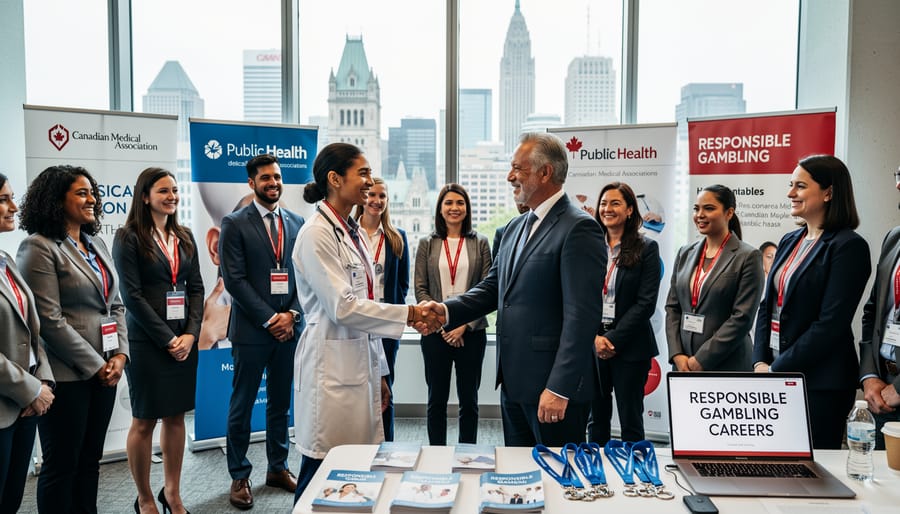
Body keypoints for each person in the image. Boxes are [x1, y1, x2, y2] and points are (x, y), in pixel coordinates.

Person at [424, 132, 606, 446]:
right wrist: (444, 311)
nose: (510, 176)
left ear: (545, 172)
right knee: (518, 473)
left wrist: (559, 388)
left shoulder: (579, 228)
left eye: (517, 168)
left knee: (557, 472)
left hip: (553, 391)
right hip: (514, 384)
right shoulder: (513, 228)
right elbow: (492, 289)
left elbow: (582, 318)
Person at [291, 142, 439, 502]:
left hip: (360, 364)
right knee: (320, 473)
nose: (370, 181)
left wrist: (381, 373)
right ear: (335, 179)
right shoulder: (317, 234)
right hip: (331, 370)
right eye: (363, 173)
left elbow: (366, 304)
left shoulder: (350, 231)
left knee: (357, 472)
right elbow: (344, 308)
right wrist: (410, 314)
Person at [17, 165, 129, 514]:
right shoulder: (38, 247)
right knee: (62, 466)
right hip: (66, 376)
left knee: (90, 461)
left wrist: (120, 355)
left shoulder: (96, 243)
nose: (92, 199)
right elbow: (49, 321)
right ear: (56, 200)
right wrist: (97, 365)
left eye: (92, 192)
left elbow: (116, 304)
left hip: (106, 370)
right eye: (82, 193)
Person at [753, 155, 870, 449]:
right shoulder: (789, 240)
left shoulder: (849, 246)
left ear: (828, 192)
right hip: (776, 371)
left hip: (820, 384)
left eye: (800, 186)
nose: (790, 193)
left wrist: (777, 369)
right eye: (791, 185)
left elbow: (830, 324)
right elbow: (767, 306)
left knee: (812, 467)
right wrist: (759, 361)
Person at [112, 168, 204, 514]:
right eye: (163, 190)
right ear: (145, 196)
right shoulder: (128, 237)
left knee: (176, 417)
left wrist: (190, 334)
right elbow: (132, 297)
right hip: (148, 343)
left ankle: (172, 493)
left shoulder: (185, 236)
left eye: (175, 190)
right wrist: (168, 339)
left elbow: (197, 289)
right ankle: (145, 498)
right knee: (144, 420)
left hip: (185, 341)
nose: (172, 196)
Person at [219, 154, 305, 510]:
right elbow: (234, 280)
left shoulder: (297, 222)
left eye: (277, 177)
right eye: (266, 178)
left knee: (280, 404)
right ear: (251, 183)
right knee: (242, 405)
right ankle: (239, 475)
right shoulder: (234, 223)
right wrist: (271, 319)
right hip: (253, 332)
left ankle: (277, 467)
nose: (273, 183)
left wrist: (292, 314)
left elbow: (305, 275)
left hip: (290, 329)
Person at [415, 183, 492, 445]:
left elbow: (487, 288)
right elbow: (420, 289)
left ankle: (467, 455)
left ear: (467, 208)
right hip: (435, 332)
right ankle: (436, 454)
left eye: (460, 203)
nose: (454, 208)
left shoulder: (480, 243)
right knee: (436, 399)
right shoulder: (427, 243)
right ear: (440, 208)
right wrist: (442, 324)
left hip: (471, 332)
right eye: (448, 203)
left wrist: (463, 324)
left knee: (469, 400)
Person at [589, 182, 661, 444]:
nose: (607, 209)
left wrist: (613, 339)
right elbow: (580, 297)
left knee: (631, 419)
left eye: (615, 203)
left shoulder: (646, 248)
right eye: (603, 203)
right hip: (594, 343)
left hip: (631, 346)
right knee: (596, 417)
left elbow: (645, 303)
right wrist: (594, 337)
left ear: (630, 210)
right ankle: (595, 466)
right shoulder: (589, 246)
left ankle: (635, 468)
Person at [0, 172, 55, 513]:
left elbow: (33, 331)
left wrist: (42, 382)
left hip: (25, 406)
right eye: (2, 199)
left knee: (11, 501)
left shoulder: (5, 260)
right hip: (9, 403)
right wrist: (31, 390)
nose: (13, 207)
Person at [666, 185, 763, 372]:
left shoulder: (748, 256)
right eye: (696, 209)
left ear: (729, 213)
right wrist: (677, 354)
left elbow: (742, 318)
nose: (700, 215)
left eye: (709, 208)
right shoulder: (685, 253)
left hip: (727, 365)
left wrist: (701, 360)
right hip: (683, 364)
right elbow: (672, 307)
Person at [353, 176, 410, 441]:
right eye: (371, 195)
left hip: (385, 323)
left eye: (382, 196)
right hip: (357, 319)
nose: (376, 201)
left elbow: (403, 284)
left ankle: (387, 447)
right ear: (362, 198)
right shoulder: (348, 234)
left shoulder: (397, 237)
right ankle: (360, 444)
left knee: (385, 386)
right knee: (357, 386)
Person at [859, 167, 900, 450]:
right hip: (882, 392)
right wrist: (869, 376)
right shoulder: (894, 238)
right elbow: (872, 312)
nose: (898, 186)